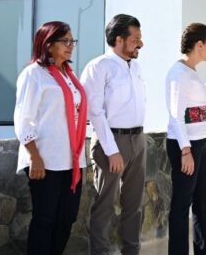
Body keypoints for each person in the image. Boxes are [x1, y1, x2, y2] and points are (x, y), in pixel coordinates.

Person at [14, 21, 88, 255]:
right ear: (48, 44)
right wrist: (34, 157)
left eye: (72, 41)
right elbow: (23, 119)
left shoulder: (69, 75)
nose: (70, 46)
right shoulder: (34, 74)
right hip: (45, 160)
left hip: (73, 160)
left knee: (67, 219)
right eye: (64, 41)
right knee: (45, 219)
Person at [81, 14, 146, 255]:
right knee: (105, 204)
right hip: (112, 141)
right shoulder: (99, 67)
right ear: (119, 40)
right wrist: (112, 150)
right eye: (136, 38)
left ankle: (132, 251)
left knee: (134, 205)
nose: (141, 43)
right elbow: (94, 111)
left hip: (138, 140)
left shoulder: (136, 67)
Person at [165, 23, 206, 255]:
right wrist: (186, 152)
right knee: (182, 205)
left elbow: (190, 108)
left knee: (201, 201)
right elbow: (176, 116)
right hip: (186, 147)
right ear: (199, 45)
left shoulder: (190, 73)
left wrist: (205, 88)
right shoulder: (179, 74)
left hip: (198, 143)